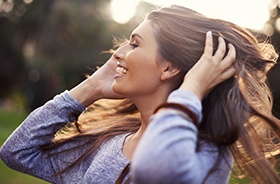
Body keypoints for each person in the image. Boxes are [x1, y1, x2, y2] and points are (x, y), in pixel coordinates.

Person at [0, 4, 279, 184]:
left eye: (134, 44)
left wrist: (191, 88)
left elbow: (153, 167)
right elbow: (18, 152)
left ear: (169, 68)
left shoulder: (205, 153)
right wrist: (91, 88)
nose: (118, 54)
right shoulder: (110, 144)